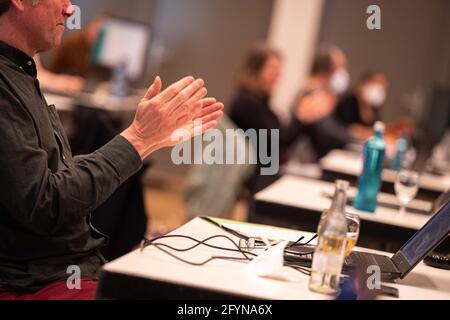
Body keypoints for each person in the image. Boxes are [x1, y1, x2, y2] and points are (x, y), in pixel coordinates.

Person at [0, 0, 223, 300]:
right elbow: (47, 204)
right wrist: (138, 139)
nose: (70, 10)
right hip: (39, 282)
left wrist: (149, 141)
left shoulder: (19, 72)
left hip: (67, 270)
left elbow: (52, 178)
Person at [228, 44, 303, 193]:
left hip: (263, 171)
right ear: (256, 70)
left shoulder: (260, 100)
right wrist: (301, 118)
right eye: (273, 70)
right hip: (253, 174)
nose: (278, 76)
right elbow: (277, 141)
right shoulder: (247, 102)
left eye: (279, 71)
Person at [295, 44, 356, 160]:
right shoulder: (313, 95)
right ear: (326, 70)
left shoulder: (322, 94)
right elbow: (328, 134)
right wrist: (352, 137)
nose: (343, 73)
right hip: (305, 163)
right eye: (339, 68)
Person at [335, 72, 388, 141]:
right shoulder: (348, 102)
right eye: (377, 85)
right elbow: (350, 129)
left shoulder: (373, 108)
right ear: (364, 84)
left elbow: (377, 128)